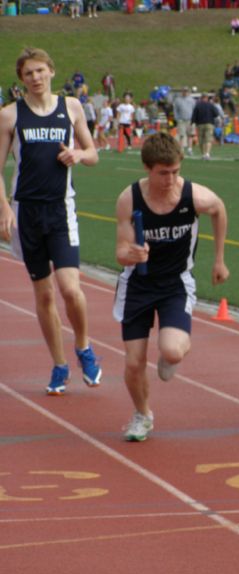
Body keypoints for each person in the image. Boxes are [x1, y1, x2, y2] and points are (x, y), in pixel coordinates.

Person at [113, 132, 229, 441]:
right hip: (137, 284)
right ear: (148, 168)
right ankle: (143, 415)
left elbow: (219, 209)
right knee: (134, 361)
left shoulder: (192, 195)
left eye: (176, 171)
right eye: (163, 173)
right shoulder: (130, 199)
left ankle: (168, 353)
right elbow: (120, 252)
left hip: (176, 282)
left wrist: (219, 259)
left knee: (173, 352)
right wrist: (132, 254)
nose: (171, 179)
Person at [0, 47, 102, 395]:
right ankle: (59, 365)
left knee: (71, 289)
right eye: (28, 73)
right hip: (27, 212)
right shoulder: (10, 116)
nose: (35, 78)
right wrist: (4, 209)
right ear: (21, 79)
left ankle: (84, 347)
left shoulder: (70, 107)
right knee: (43, 296)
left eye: (40, 71)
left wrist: (78, 153)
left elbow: (94, 155)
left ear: (52, 72)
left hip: (61, 209)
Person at [191, 93, 221, 160]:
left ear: (201, 98)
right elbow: (217, 115)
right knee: (208, 139)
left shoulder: (197, 106)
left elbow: (194, 116)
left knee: (201, 140)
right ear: (207, 98)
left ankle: (203, 154)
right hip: (209, 124)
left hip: (200, 124)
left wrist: (192, 123)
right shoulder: (211, 105)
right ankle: (207, 154)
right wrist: (219, 123)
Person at [173, 86, 196, 156]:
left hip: (190, 120)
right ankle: (181, 149)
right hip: (181, 120)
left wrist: (194, 119)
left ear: (188, 92)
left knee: (190, 135)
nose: (185, 92)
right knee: (181, 135)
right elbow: (175, 110)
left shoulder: (192, 100)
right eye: (184, 91)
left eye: (186, 91)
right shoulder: (177, 100)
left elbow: (194, 109)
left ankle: (189, 149)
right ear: (182, 92)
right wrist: (177, 118)